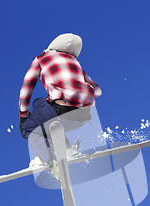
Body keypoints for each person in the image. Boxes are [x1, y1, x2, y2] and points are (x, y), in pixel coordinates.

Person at [18, 33, 102, 164]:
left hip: (61, 112)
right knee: (40, 104)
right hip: (83, 117)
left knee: (29, 128)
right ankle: (67, 150)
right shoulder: (76, 63)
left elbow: (26, 88)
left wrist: (23, 116)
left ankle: (51, 161)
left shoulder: (42, 58)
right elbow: (97, 91)